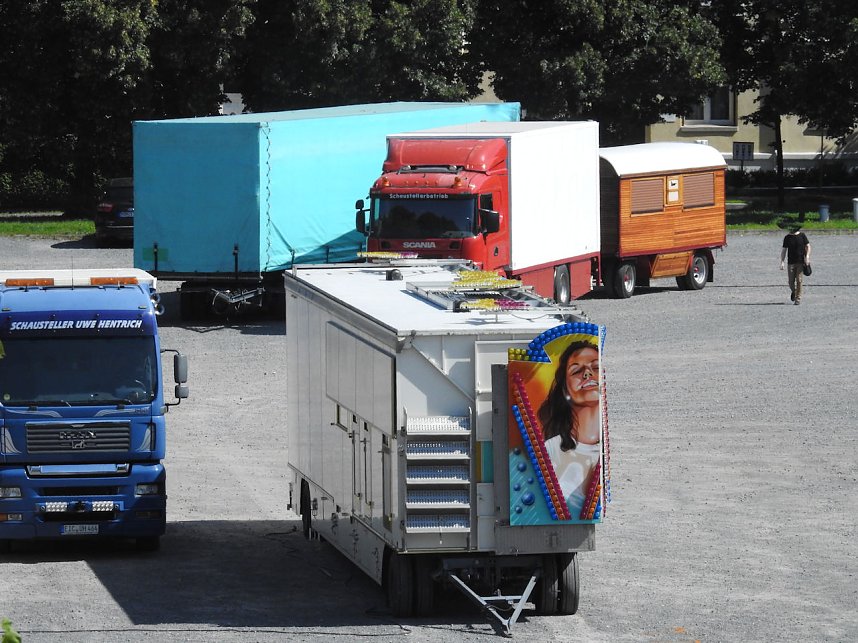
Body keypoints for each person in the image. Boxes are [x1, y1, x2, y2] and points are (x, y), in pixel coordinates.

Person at [537, 340, 601, 518]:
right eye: (577, 371)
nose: (587, 373)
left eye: (596, 367)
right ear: (565, 389)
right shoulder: (550, 450)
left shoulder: (609, 448)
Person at [780, 225, 811, 305]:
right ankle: (794, 291)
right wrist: (782, 261)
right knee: (791, 282)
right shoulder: (787, 237)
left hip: (800, 262)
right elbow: (784, 250)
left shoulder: (802, 236)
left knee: (799, 280)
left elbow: (808, 246)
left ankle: (798, 299)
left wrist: (807, 257)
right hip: (791, 262)